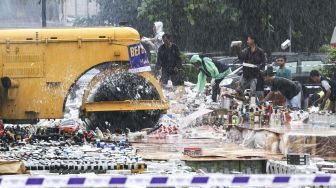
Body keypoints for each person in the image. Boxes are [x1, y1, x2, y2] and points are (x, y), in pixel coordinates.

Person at [235, 34, 267, 99]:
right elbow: (241, 57)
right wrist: (238, 49)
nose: (247, 41)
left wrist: (258, 66)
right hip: (246, 73)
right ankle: (241, 101)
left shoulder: (260, 51)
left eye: (248, 40)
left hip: (254, 75)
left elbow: (264, 63)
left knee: (253, 92)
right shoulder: (247, 50)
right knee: (239, 89)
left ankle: (252, 104)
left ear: (253, 40)